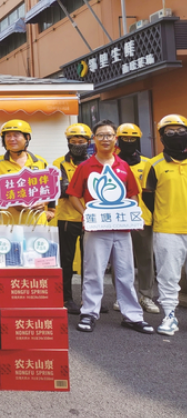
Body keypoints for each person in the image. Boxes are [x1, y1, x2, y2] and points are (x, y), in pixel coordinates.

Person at [67, 119, 153, 334]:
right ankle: (89, 312)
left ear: (115, 139)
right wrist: (86, 213)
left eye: (109, 135)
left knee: (125, 273)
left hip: (122, 229)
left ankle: (132, 316)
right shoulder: (85, 167)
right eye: (101, 135)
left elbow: (133, 194)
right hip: (96, 229)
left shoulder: (123, 166)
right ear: (94, 140)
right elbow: (73, 195)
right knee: (93, 272)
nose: (105, 139)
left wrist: (131, 213)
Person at [143, 114, 187, 336]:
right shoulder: (154, 164)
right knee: (168, 276)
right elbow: (148, 197)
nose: (176, 135)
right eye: (170, 132)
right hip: (168, 230)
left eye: (180, 131)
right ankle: (169, 316)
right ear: (161, 136)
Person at [112, 123, 158, 314]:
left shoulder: (148, 163)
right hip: (118, 219)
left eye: (133, 139)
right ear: (118, 140)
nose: (129, 142)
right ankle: (121, 296)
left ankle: (146, 296)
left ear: (138, 140)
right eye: (125, 138)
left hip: (142, 219)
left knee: (146, 259)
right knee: (119, 260)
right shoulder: (112, 162)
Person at [54, 123, 92, 315]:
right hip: (67, 219)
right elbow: (62, 191)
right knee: (66, 260)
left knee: (90, 261)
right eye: (74, 141)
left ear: (88, 142)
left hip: (92, 219)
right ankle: (66, 298)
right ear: (68, 142)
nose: (78, 144)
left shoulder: (95, 163)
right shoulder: (59, 163)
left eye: (81, 141)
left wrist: (74, 188)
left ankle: (90, 298)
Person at [0, 119, 53, 224]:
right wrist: (11, 201)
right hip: (9, 223)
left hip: (37, 222)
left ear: (27, 137)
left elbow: (50, 190)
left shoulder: (40, 162)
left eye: (16, 135)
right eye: (8, 136)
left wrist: (44, 203)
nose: (11, 139)